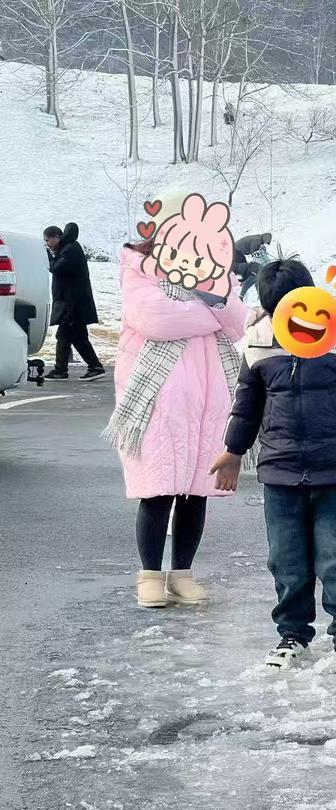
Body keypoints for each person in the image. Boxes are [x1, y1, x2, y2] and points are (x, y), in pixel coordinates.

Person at [212, 259, 336, 672]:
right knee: (286, 559)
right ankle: (292, 635)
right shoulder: (259, 343)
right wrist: (233, 451)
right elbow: (245, 406)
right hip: (281, 470)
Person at [102, 196, 247, 609]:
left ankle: (182, 573)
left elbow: (238, 322)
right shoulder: (139, 269)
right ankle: (149, 574)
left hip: (208, 397)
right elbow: (156, 319)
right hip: (158, 396)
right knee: (158, 489)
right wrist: (210, 308)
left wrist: (207, 303)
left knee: (197, 492)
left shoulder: (217, 271)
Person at [43, 223, 105, 381]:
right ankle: (62, 370)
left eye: (48, 240)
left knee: (73, 337)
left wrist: (47, 255)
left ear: (57, 237)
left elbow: (56, 268)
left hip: (73, 304)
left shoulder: (70, 250)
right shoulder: (68, 249)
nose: (47, 244)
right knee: (69, 337)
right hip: (71, 303)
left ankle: (93, 367)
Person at [233, 232, 272, 300]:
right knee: (239, 266)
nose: (265, 244)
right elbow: (253, 251)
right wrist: (259, 252)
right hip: (236, 251)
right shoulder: (257, 240)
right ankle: (240, 280)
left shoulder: (257, 238)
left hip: (237, 251)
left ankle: (242, 279)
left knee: (242, 265)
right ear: (265, 239)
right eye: (266, 242)